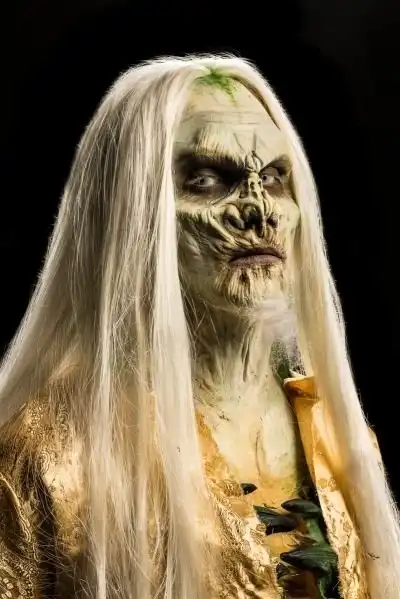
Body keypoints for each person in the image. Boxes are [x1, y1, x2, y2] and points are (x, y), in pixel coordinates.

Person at [0, 54, 398, 599]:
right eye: (208, 180)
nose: (260, 211)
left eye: (274, 178)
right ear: (131, 211)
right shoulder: (49, 458)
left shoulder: (339, 438)